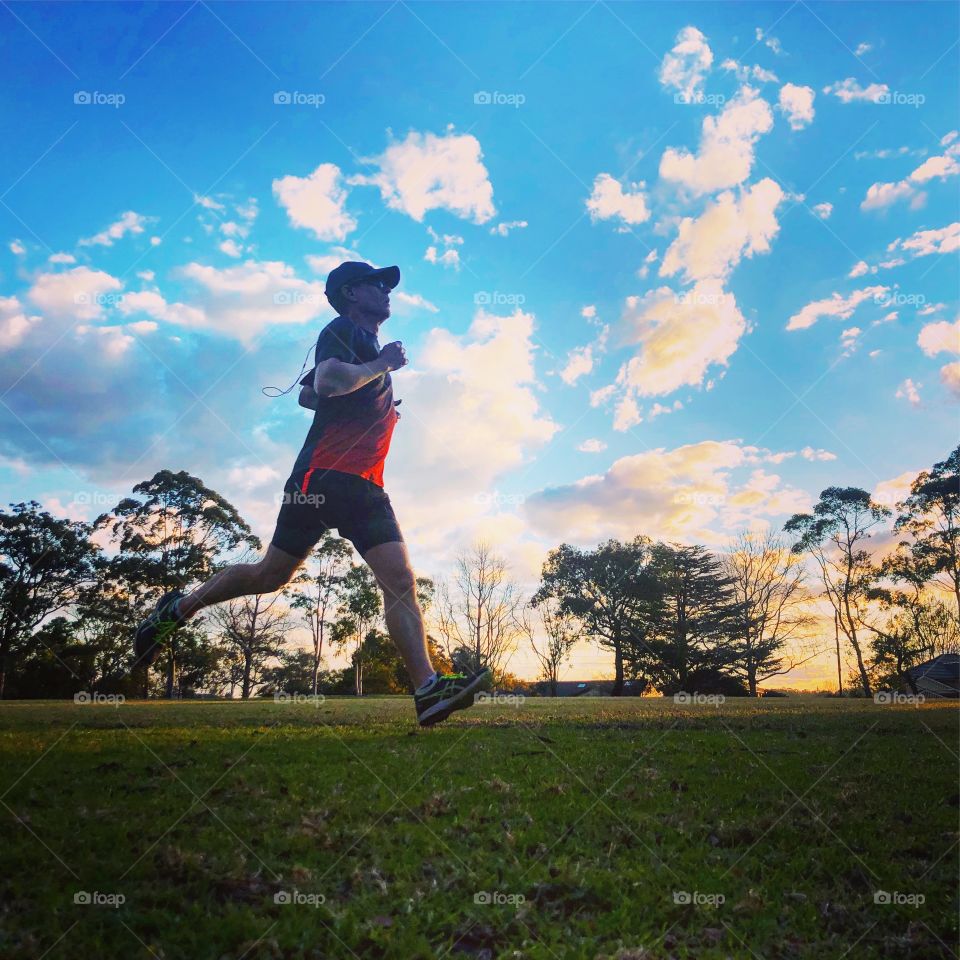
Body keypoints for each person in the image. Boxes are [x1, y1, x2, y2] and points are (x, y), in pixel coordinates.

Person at [132, 261, 492, 725]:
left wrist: (374, 391)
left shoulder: (360, 345)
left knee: (390, 580)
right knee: (269, 576)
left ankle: (427, 690)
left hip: (364, 483)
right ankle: (175, 610)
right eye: (376, 284)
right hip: (322, 477)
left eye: (387, 284)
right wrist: (383, 366)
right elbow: (324, 383)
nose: (386, 291)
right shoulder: (343, 330)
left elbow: (310, 394)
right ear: (350, 293)